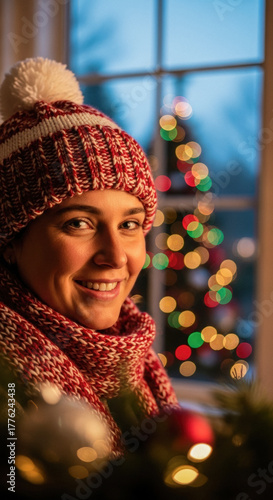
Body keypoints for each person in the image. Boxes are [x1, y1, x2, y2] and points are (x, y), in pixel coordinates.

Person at [0, 57, 179, 459]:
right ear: (10, 240)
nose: (116, 256)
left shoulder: (136, 362)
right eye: (80, 223)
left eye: (130, 225)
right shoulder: (9, 392)